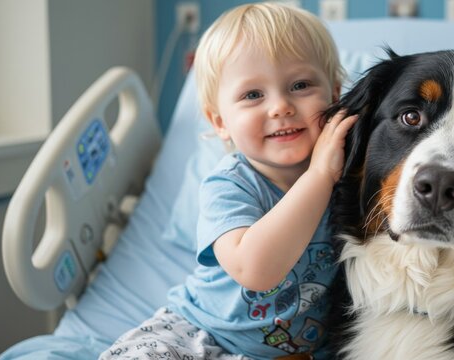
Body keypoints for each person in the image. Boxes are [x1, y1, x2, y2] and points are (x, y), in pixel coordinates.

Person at [99, 2, 356, 359]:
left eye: (300, 85)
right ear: (219, 122)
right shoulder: (230, 184)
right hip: (203, 333)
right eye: (253, 95)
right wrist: (318, 176)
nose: (280, 106)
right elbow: (256, 270)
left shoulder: (350, 177)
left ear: (334, 97)